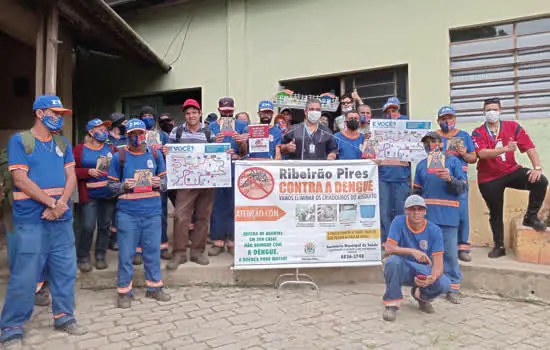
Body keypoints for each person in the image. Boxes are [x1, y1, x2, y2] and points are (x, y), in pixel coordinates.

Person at [1, 95, 86, 346]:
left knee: (65, 271)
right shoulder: (20, 141)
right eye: (55, 113)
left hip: (60, 219)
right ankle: (11, 328)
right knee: (25, 274)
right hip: (31, 219)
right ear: (39, 113)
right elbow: (20, 180)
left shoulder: (61, 143)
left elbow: (70, 176)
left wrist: (60, 206)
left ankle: (64, 316)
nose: (59, 118)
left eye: (61, 114)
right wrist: (52, 204)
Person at [472, 97, 548, 259]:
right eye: (488, 110)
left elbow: (529, 148)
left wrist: (537, 168)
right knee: (496, 212)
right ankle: (499, 246)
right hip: (488, 178)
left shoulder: (512, 127)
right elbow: (482, 154)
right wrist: (505, 149)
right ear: (484, 112)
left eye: (494, 109)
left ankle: (531, 216)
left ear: (500, 111)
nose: (492, 113)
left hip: (511, 171)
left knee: (540, 181)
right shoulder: (478, 132)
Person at [107, 119, 170, 308]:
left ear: (146, 134)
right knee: (126, 254)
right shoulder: (119, 156)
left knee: (152, 252)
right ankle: (124, 292)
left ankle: (154, 288)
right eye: (133, 134)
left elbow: (167, 182)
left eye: (140, 133)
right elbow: (110, 186)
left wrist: (161, 184)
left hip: (152, 212)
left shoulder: (155, 154)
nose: (137, 137)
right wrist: (122, 186)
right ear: (127, 135)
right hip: (127, 214)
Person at [413, 132, 467, 304]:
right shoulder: (421, 165)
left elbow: (462, 188)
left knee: (450, 255)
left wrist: (450, 178)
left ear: (442, 144)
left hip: (448, 217)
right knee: (427, 255)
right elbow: (416, 193)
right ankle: (427, 287)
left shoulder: (453, 162)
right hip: (427, 219)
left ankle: (453, 288)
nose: (431, 145)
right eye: (427, 143)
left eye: (434, 141)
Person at [382, 195, 450, 322]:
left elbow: (438, 264)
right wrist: (413, 251)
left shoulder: (434, 230)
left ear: (425, 211)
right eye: (412, 209)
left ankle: (422, 297)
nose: (416, 213)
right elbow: (389, 248)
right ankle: (392, 304)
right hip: (403, 266)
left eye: (420, 209)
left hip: (422, 270)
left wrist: (431, 278)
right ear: (406, 211)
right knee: (391, 261)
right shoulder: (399, 221)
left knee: (444, 284)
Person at [166, 99, 216, 269]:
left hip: (206, 182)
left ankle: (197, 252)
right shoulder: (177, 132)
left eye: (194, 112)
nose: (191, 116)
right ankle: (179, 253)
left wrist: (225, 152)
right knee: (180, 216)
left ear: (200, 113)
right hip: (185, 181)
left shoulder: (209, 133)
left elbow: (216, 155)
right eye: (188, 113)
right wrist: (166, 151)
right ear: (184, 115)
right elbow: (170, 154)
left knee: (203, 217)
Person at [73, 118, 117, 272]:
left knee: (105, 226)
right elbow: (70, 170)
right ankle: (83, 256)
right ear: (91, 132)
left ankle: (100, 255)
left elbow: (119, 166)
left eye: (105, 129)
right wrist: (87, 171)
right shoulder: (79, 149)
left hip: (108, 195)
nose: (104, 131)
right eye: (99, 129)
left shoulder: (111, 148)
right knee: (87, 226)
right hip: (89, 195)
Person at [208, 97, 249, 256]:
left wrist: (240, 143)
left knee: (234, 205)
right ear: (219, 110)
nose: (226, 114)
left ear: (234, 110)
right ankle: (218, 241)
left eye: (229, 111)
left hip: (235, 168)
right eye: (224, 111)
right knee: (217, 205)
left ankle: (232, 241)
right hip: (217, 169)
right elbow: (205, 152)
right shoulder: (211, 126)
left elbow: (246, 153)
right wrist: (214, 145)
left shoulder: (242, 125)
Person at [436, 106, 477, 262]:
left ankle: (463, 247)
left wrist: (464, 153)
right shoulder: (434, 136)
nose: (447, 121)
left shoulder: (464, 135)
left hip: (459, 180)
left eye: (450, 118)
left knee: (461, 214)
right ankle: (441, 246)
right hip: (439, 180)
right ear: (438, 121)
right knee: (439, 212)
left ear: (455, 119)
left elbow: (473, 159)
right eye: (443, 119)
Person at [138, 106, 171, 261]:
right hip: (140, 180)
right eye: (144, 115)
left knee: (161, 214)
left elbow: (171, 157)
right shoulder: (135, 135)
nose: (147, 118)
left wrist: (167, 152)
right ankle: (138, 249)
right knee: (140, 214)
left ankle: (163, 246)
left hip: (159, 178)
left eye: (150, 115)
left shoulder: (163, 135)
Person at [378, 97, 411, 245]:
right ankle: (387, 240)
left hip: (402, 178)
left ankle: (400, 240)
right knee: (384, 212)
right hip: (383, 177)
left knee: (400, 211)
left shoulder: (407, 124)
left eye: (395, 110)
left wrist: (400, 121)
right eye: (388, 111)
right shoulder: (378, 128)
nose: (392, 114)